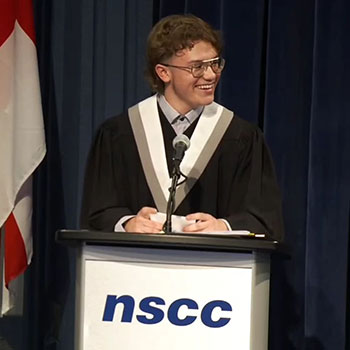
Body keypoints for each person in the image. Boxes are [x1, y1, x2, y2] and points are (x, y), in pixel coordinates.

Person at [80, 14, 284, 241]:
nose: (210, 75)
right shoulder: (119, 133)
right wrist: (128, 223)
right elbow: (97, 211)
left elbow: (264, 217)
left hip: (214, 270)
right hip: (136, 268)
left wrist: (223, 226)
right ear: (163, 72)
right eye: (197, 67)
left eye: (215, 64)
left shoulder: (242, 137)